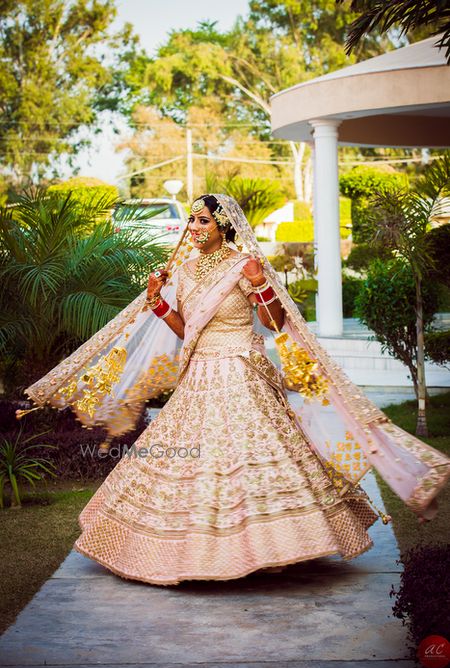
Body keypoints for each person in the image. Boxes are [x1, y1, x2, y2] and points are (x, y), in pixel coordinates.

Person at [21, 194, 450, 586]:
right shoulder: (184, 272)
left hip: (242, 371)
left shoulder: (241, 264)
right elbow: (187, 330)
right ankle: (183, 554)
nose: (193, 227)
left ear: (223, 226)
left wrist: (260, 281)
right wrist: (158, 303)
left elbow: (275, 323)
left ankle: (276, 550)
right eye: (191, 220)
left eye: (202, 220)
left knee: (255, 457)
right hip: (200, 375)